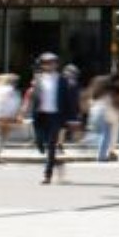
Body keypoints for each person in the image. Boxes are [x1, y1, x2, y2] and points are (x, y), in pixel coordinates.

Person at [25, 53, 78, 185]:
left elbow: (69, 100)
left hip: (55, 116)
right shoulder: (37, 79)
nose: (49, 65)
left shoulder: (63, 80)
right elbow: (33, 99)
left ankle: (47, 175)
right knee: (39, 142)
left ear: (56, 64)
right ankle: (56, 162)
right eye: (46, 63)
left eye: (52, 62)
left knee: (51, 145)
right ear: (42, 65)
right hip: (40, 116)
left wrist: (72, 119)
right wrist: (29, 115)